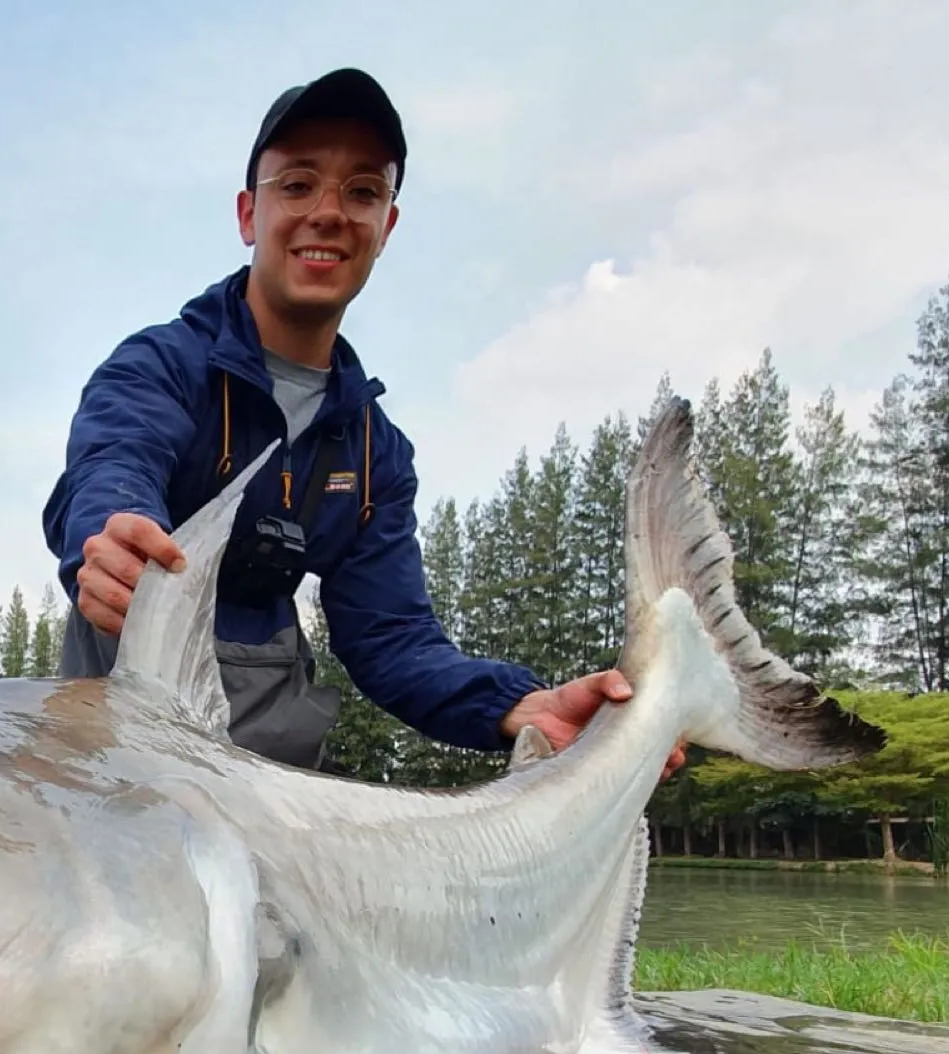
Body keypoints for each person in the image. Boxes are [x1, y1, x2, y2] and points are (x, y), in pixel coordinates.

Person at [42, 67, 684, 777]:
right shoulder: (161, 364)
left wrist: (521, 708)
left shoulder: (376, 453)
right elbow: (111, 464)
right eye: (297, 184)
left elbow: (394, 641)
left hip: (277, 795)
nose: (328, 211)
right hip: (116, 773)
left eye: (363, 191)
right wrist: (107, 538)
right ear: (248, 214)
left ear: (386, 227)